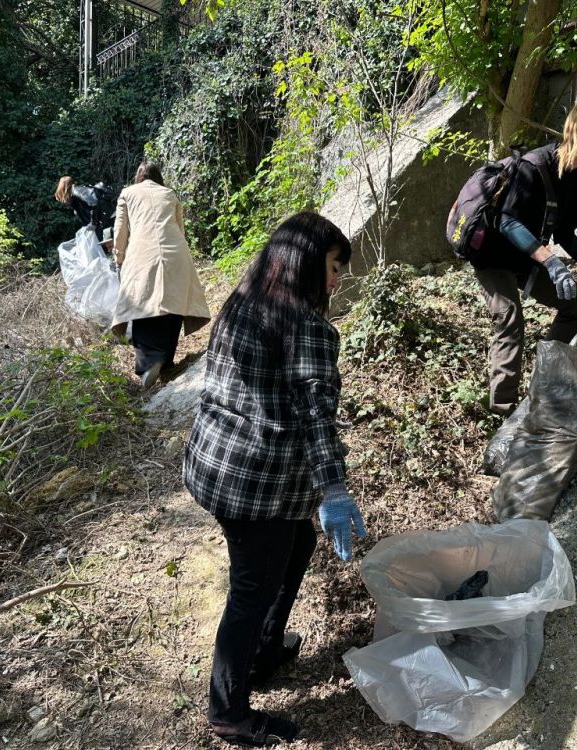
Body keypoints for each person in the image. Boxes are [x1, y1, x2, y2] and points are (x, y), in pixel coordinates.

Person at [183, 211, 367, 747]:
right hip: (256, 484)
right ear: (308, 262)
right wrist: (334, 489)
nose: (337, 279)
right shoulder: (305, 325)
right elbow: (316, 414)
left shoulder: (244, 303)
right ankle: (229, 711)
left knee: (299, 542)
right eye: (334, 267)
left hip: (217, 467)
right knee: (250, 591)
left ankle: (264, 652)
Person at [471, 103, 577, 417]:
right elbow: (506, 222)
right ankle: (502, 412)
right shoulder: (532, 167)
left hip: (526, 255)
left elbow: (564, 233)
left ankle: (541, 382)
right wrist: (550, 261)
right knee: (510, 320)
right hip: (492, 252)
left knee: (576, 305)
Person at [111, 161, 211, 389]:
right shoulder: (169, 193)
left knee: (142, 303)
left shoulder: (127, 193)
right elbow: (180, 228)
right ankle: (165, 362)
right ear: (159, 176)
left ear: (138, 176)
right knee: (173, 303)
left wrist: (119, 256)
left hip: (141, 253)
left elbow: (120, 230)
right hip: (176, 252)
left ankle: (148, 363)